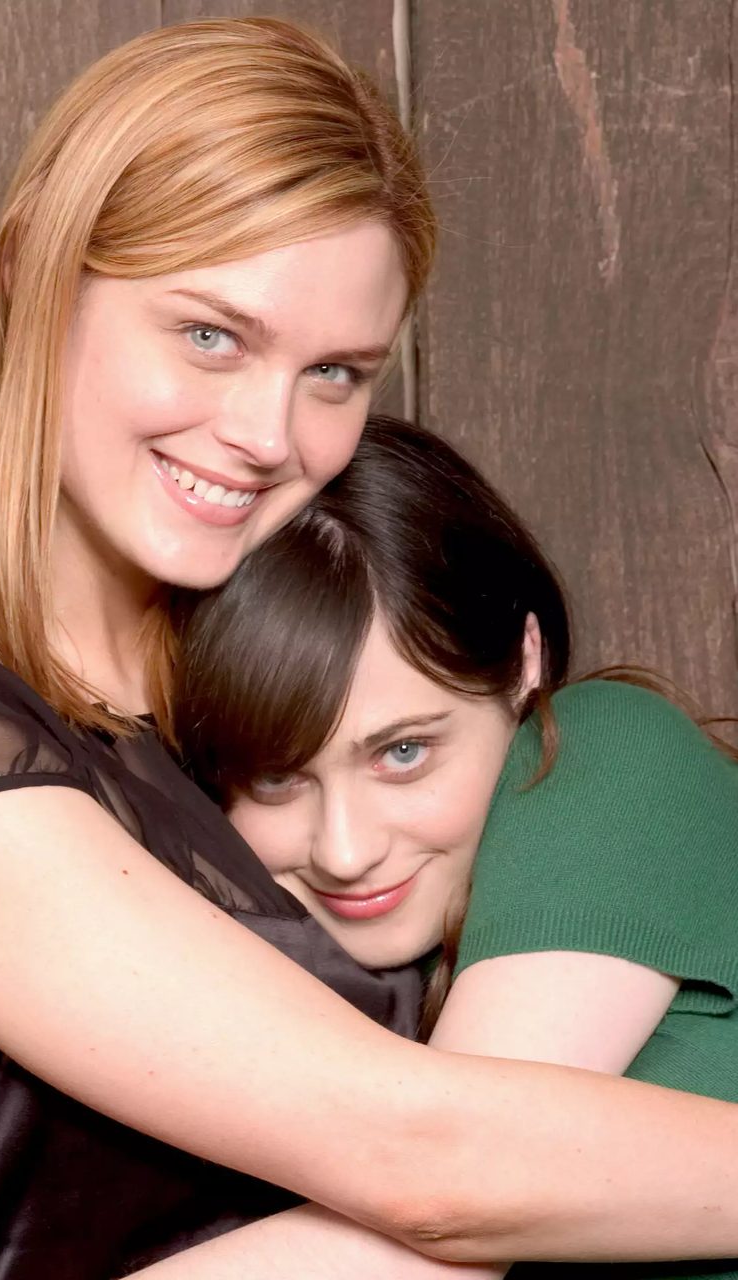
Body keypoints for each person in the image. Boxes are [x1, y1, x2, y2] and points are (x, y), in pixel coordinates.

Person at [0, 15, 737, 1280]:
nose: (268, 434)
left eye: (333, 372)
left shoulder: (253, 707)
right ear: (28, 283)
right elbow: (427, 1166)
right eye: (210, 335)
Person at [168, 413, 738, 1280]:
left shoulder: (603, 751)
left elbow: (449, 1189)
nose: (345, 851)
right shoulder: (323, 978)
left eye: (403, 752)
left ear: (522, 662)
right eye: (278, 778)